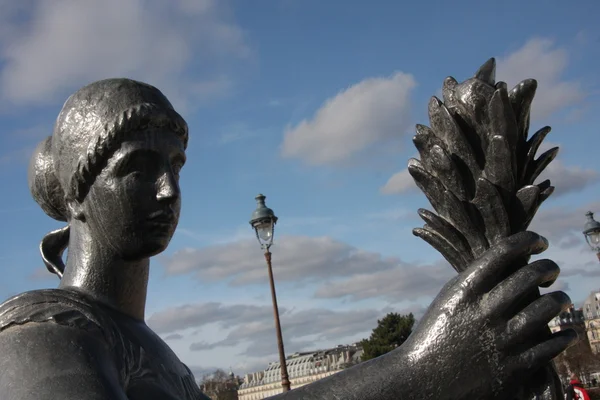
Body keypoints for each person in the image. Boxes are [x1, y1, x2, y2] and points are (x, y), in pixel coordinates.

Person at [0, 78, 576, 399]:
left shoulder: (143, 347)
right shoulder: (39, 336)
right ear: (77, 196)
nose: (169, 191)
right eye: (137, 169)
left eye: (176, 166)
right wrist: (415, 372)